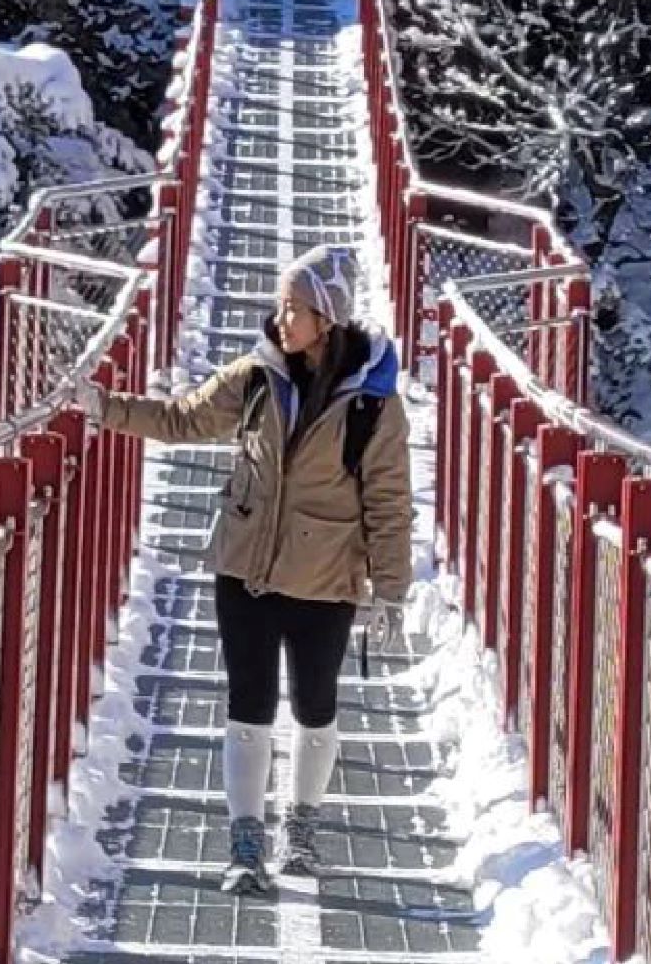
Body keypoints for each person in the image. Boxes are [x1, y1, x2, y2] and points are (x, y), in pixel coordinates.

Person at [77, 240, 413, 893]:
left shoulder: (373, 403)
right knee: (248, 704)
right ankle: (246, 844)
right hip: (246, 570)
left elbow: (388, 501)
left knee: (315, 707)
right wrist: (105, 407)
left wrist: (391, 591)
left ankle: (303, 828)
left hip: (325, 578)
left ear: (327, 315)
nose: (279, 318)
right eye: (280, 304)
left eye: (293, 307)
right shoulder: (258, 375)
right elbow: (184, 417)